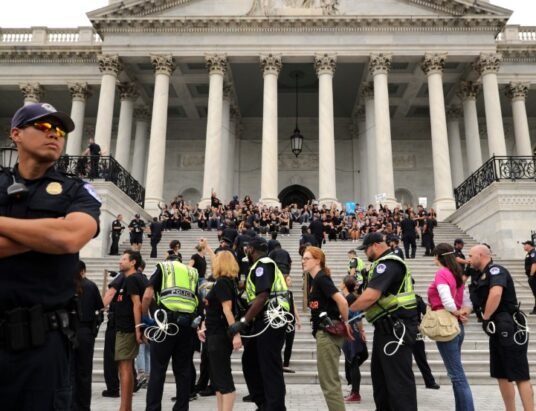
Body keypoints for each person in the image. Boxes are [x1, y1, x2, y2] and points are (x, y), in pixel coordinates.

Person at [0, 102, 100, 411]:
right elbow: (61, 236)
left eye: (59, 131)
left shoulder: (77, 190)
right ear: (15, 134)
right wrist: (49, 233)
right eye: (44, 127)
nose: (54, 135)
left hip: (44, 343)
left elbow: (71, 237)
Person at [351, 232, 419, 411]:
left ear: (375, 245)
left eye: (366, 249)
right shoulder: (381, 265)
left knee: (398, 384)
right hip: (386, 329)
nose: (365, 253)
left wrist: (348, 313)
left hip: (396, 329)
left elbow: (370, 296)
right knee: (382, 382)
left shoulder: (388, 264)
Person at [469, 244, 534, 411]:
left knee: (520, 374)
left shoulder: (496, 271)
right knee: (501, 374)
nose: (468, 259)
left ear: (481, 255)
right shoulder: (478, 276)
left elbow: (496, 293)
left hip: (509, 326)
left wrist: (486, 316)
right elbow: (477, 302)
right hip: (496, 327)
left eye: (471, 256)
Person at [227, 236, 290, 411]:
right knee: (250, 360)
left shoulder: (264, 264)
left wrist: (243, 321)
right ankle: (263, 402)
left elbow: (262, 295)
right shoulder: (260, 266)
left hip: (271, 319)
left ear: (252, 250)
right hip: (265, 320)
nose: (245, 251)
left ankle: (274, 407)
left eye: (247, 248)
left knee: (270, 365)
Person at [141, 256, 199, 411]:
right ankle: (182, 407)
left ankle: (153, 408)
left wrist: (144, 317)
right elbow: (196, 298)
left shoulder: (164, 267)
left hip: (165, 325)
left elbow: (147, 295)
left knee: (158, 370)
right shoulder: (192, 272)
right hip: (187, 325)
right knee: (183, 371)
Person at [427, 243, 474, 411]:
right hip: (458, 328)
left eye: (434, 256)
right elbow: (467, 300)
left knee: (457, 375)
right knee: (456, 374)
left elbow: (446, 300)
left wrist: (456, 312)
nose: (433, 259)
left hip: (447, 326)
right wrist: (462, 313)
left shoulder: (442, 273)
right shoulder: (457, 274)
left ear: (439, 257)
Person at [304, 246, 351, 411]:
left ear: (317, 260)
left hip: (328, 333)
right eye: (303, 258)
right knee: (329, 380)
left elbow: (343, 302)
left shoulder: (322, 279)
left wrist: (347, 323)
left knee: (329, 382)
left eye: (307, 258)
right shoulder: (316, 279)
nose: (303, 261)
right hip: (324, 333)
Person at [197, 251, 242, 411]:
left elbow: (227, 310)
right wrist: (205, 326)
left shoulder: (223, 282)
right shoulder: (223, 282)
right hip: (213, 333)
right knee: (217, 378)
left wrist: (235, 334)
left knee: (223, 378)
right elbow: (215, 310)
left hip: (220, 335)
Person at [114, 250, 146, 411]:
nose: (120, 261)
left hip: (127, 328)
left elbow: (137, 304)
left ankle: (125, 408)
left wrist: (138, 328)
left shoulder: (133, 279)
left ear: (133, 262)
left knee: (125, 367)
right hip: (126, 327)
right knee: (125, 366)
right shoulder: (136, 278)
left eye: (124, 259)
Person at [72, 260, 104, 411]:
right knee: (84, 372)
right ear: (83, 271)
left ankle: (70, 405)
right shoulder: (91, 286)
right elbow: (100, 308)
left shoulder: (66, 286)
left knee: (69, 371)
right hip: (86, 332)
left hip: (69, 332)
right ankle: (84, 406)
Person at [340, 275, 368, 404]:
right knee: (352, 362)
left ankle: (355, 393)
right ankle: (353, 390)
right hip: (353, 331)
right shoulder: (351, 297)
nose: (340, 284)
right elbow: (359, 317)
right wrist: (361, 331)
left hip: (351, 332)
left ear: (345, 285)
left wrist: (360, 331)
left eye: (341, 282)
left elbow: (356, 317)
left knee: (353, 362)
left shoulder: (349, 298)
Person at [413, 294, 440, 390]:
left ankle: (430, 382)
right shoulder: (416, 298)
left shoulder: (417, 298)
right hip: (403, 332)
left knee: (421, 358)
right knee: (419, 359)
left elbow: (426, 314)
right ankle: (430, 382)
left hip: (414, 331)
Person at [282, 275, 301, 373]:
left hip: (291, 322)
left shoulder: (290, 293)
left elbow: (293, 306)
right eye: (289, 280)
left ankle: (286, 364)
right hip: (282, 322)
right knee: (280, 343)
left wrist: (298, 319)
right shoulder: (280, 293)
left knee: (289, 343)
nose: (291, 281)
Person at [522, 240, 536, 314]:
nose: (524, 246)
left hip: (534, 276)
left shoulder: (533, 253)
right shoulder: (530, 253)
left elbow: (534, 264)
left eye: (525, 244)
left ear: (530, 245)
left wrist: (531, 275)